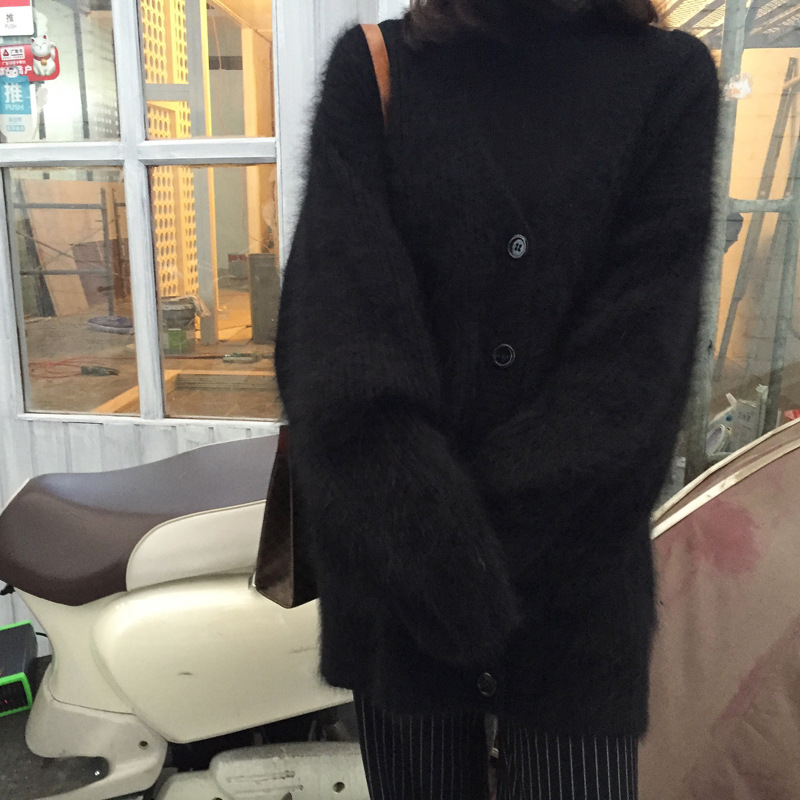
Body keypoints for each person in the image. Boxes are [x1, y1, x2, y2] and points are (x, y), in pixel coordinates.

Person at [274, 0, 720, 797]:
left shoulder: (670, 80)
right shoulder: (376, 68)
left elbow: (637, 373)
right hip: (400, 587)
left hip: (573, 603)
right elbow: (338, 350)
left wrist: (472, 572)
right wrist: (444, 565)